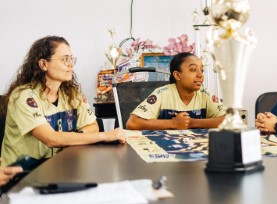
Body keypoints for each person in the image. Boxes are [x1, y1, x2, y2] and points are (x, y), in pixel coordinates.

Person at [0, 36, 127, 166]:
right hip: (19, 173)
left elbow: (92, 126)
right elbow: (51, 139)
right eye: (65, 59)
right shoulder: (23, 96)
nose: (71, 64)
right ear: (43, 64)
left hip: (55, 166)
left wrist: (70, 138)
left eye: (71, 59)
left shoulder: (72, 93)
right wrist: (106, 136)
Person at [126, 52, 226, 130]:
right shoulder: (162, 93)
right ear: (177, 75)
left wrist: (192, 123)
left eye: (202, 70)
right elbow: (132, 123)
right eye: (193, 70)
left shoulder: (205, 94)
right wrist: (173, 124)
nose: (200, 75)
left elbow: (227, 120)